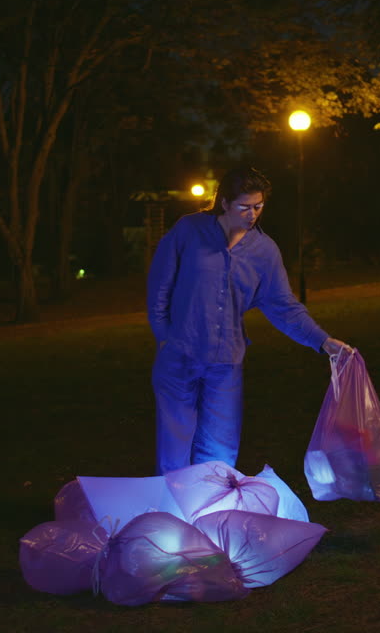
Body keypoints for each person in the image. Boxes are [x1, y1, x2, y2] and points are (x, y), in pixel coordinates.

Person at [146, 166, 350, 475]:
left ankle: (211, 500)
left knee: (220, 447)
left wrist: (323, 341)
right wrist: (164, 336)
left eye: (258, 206)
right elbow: (159, 288)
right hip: (179, 355)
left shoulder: (263, 251)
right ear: (225, 203)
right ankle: (174, 499)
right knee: (175, 446)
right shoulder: (189, 231)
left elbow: (283, 305)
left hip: (226, 361)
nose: (252, 214)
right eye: (244, 207)